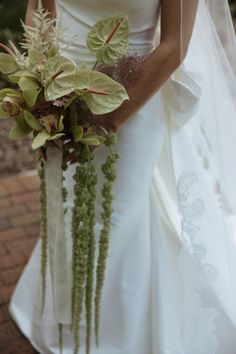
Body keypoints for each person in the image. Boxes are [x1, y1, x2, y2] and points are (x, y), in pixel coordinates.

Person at [9, 0, 236, 353]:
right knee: (64, 209)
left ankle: (111, 338)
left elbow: (175, 46)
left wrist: (107, 119)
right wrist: (38, 88)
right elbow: (40, 8)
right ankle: (65, 321)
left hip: (131, 98)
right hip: (56, 97)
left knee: (114, 219)